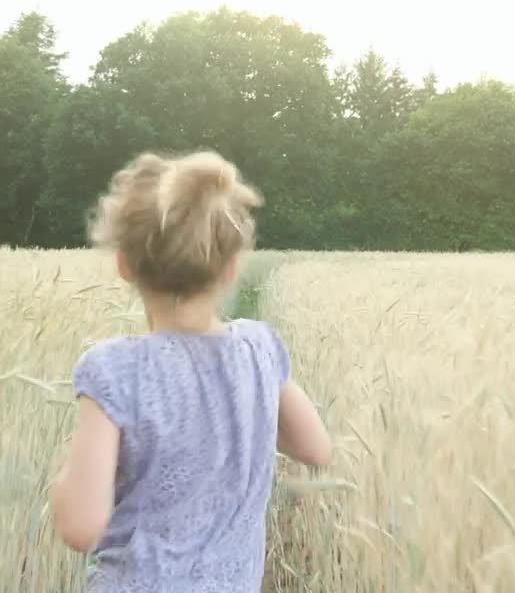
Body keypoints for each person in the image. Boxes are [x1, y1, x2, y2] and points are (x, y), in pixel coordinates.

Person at [47, 150, 332, 592]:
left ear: (124, 264)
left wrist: (61, 483)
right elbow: (315, 449)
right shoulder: (259, 349)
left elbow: (81, 527)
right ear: (232, 267)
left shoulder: (116, 370)